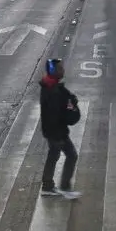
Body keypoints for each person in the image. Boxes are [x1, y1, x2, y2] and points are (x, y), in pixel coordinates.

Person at [38, 58, 82, 199]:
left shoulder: (52, 86)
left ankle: (49, 186)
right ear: (53, 71)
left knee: (55, 155)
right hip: (56, 132)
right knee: (70, 155)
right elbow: (54, 115)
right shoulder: (52, 91)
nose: (63, 70)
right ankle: (61, 187)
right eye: (60, 68)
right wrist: (58, 135)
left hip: (55, 131)